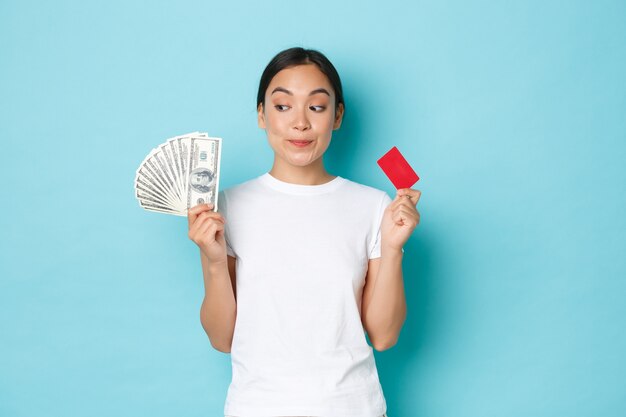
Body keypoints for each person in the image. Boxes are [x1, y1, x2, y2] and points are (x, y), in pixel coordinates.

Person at [187, 47, 421, 417]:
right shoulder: (226, 208)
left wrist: (392, 249)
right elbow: (221, 339)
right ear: (262, 115)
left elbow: (384, 335)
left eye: (316, 107)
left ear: (337, 115)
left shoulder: (374, 206)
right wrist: (213, 260)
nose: (300, 123)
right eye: (282, 106)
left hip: (352, 407)